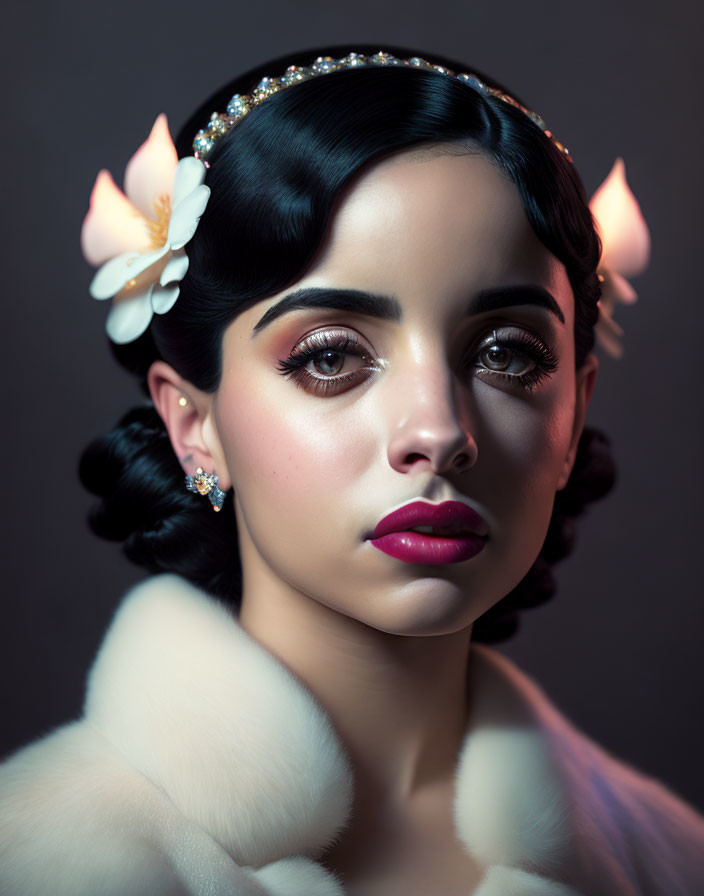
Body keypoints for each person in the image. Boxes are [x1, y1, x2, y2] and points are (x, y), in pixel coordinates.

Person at [1, 44, 702, 896]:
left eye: (508, 355)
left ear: (574, 415)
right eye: (332, 356)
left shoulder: (671, 860)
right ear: (192, 421)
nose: (439, 431)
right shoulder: (38, 861)